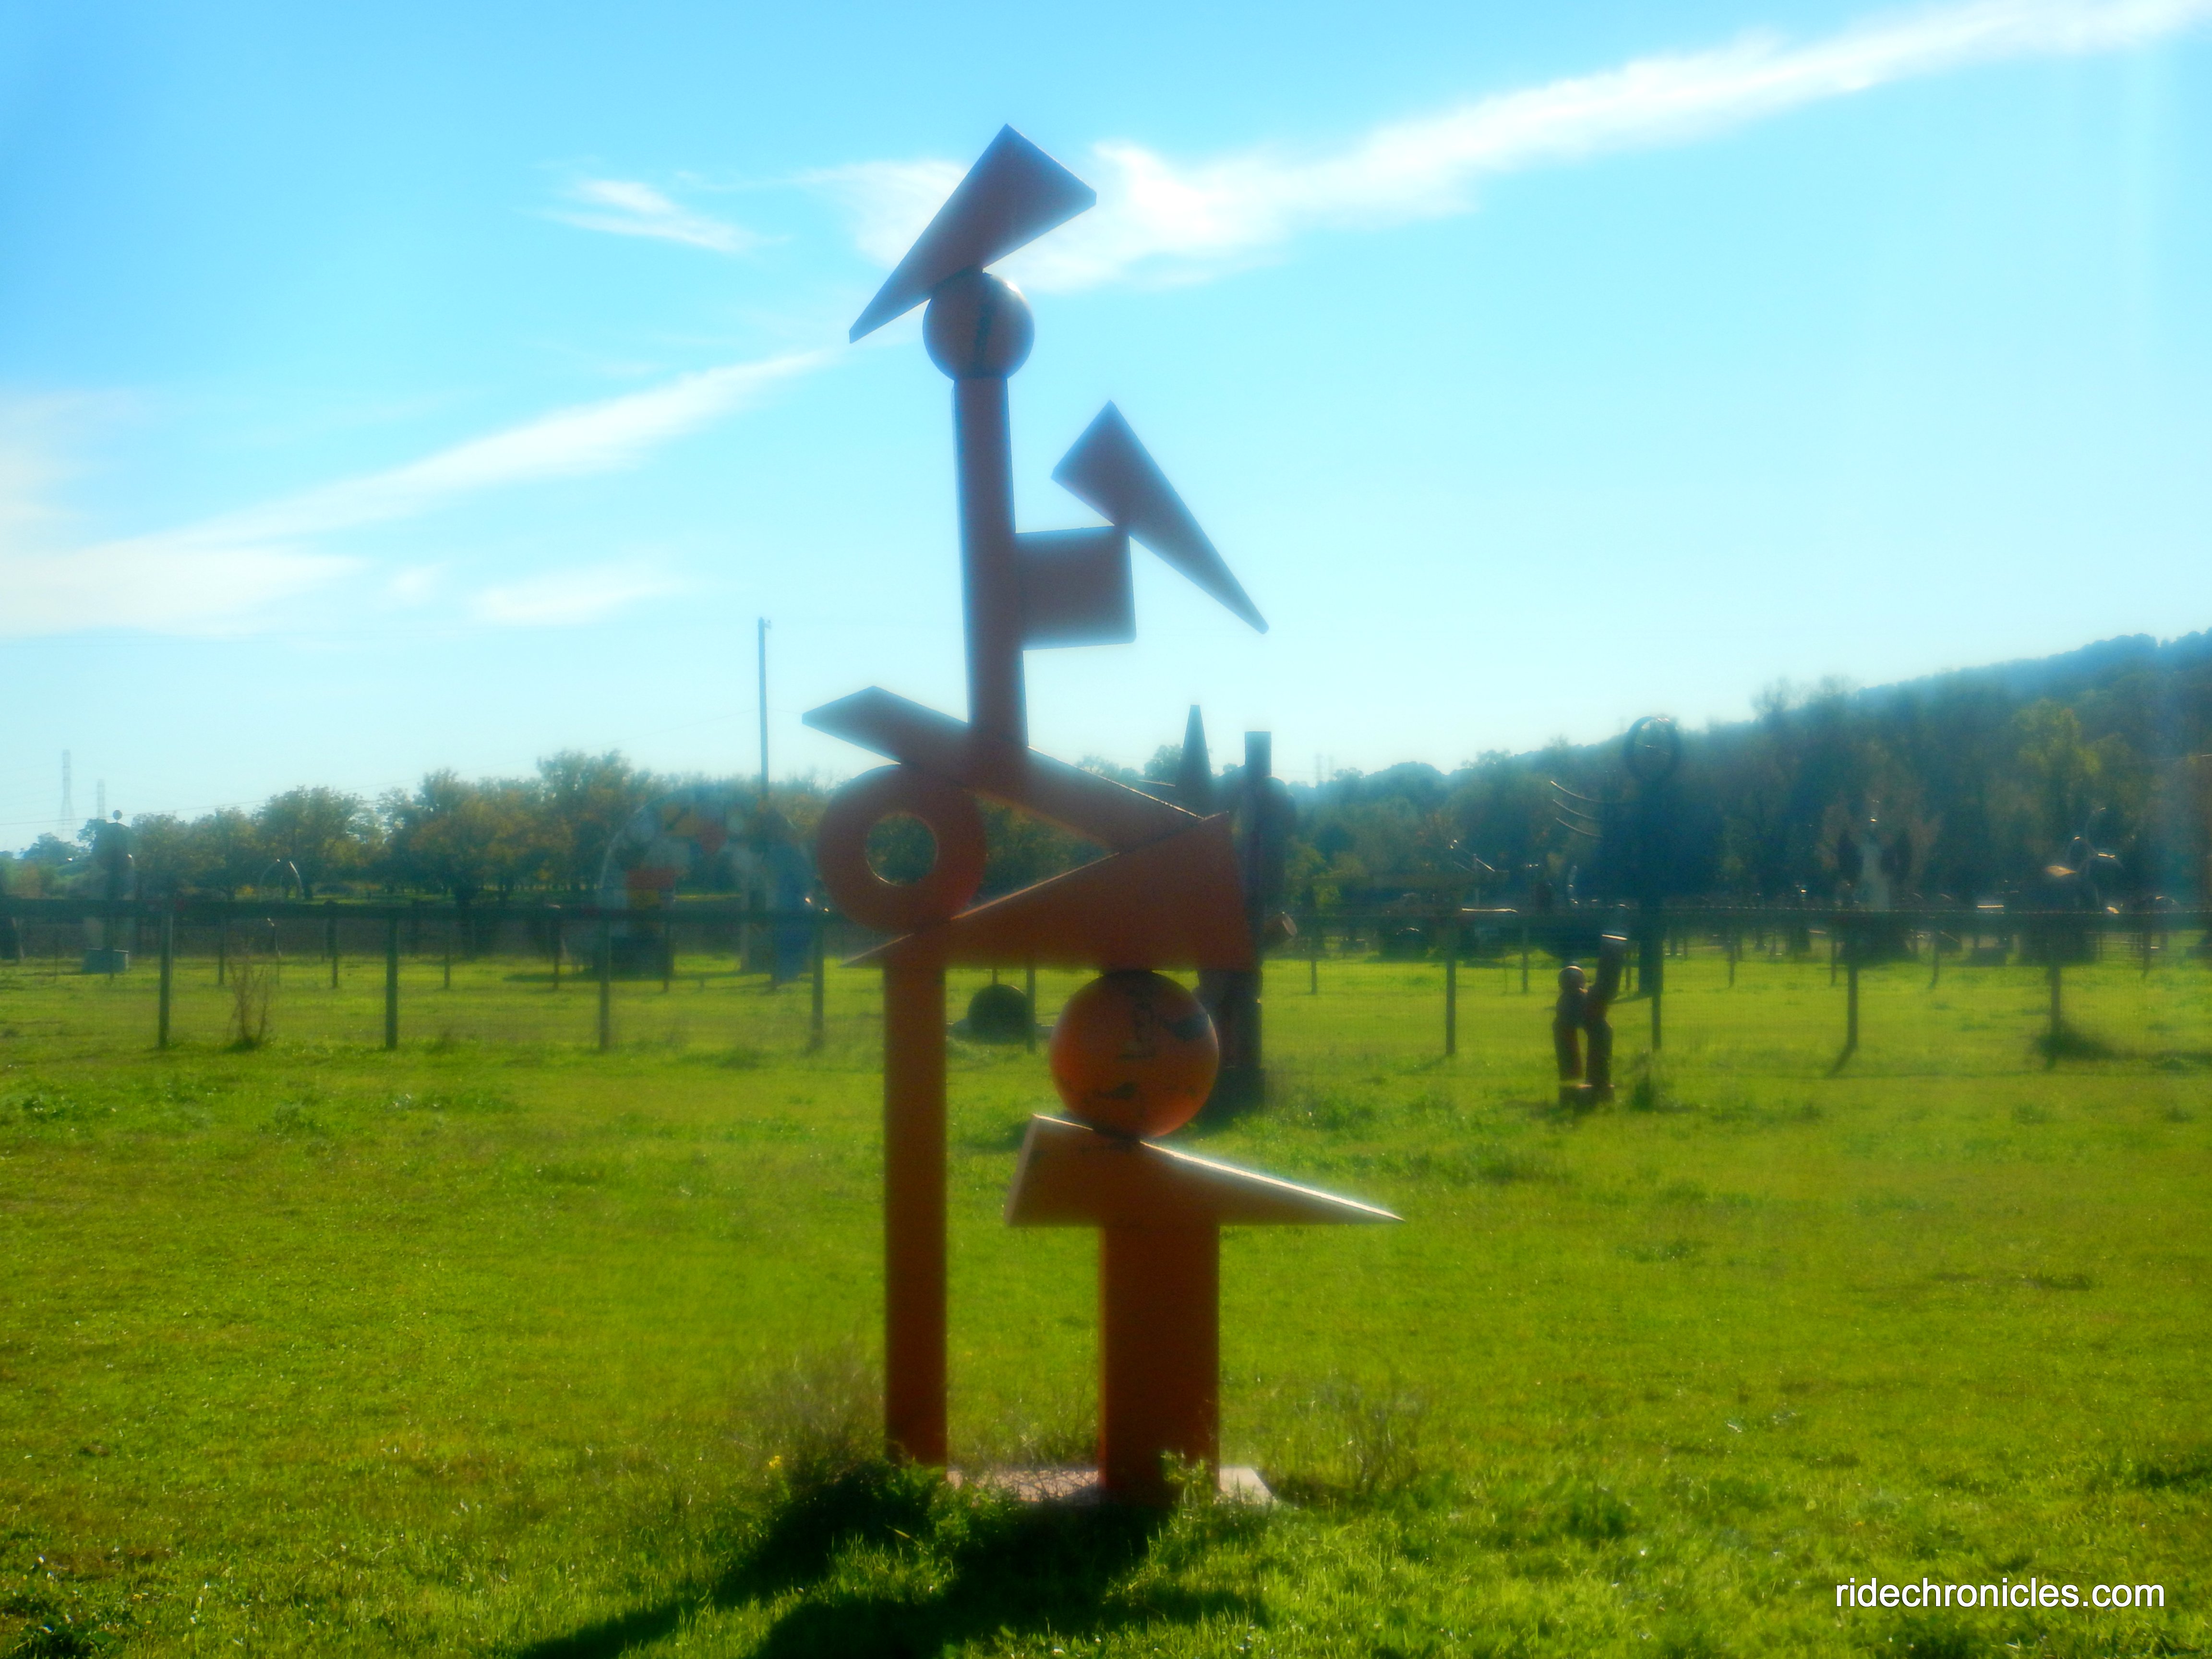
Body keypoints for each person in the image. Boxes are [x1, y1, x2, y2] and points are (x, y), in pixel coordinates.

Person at [1584, 934, 1626, 1101]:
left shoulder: (1601, 1025)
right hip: (1598, 1020)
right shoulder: (1601, 1026)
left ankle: (1597, 1081)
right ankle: (1598, 1082)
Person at [1551, 965, 1586, 1104]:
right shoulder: (1581, 996)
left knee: (1568, 1056)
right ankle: (1573, 1076)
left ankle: (1571, 1076)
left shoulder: (1564, 999)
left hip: (1564, 1030)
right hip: (1566, 1030)